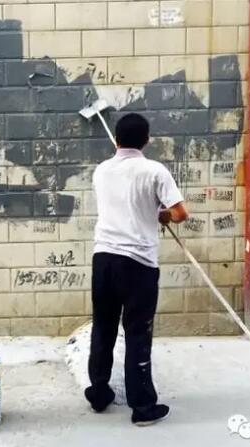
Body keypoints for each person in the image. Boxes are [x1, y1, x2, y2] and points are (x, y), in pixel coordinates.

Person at [85, 113, 188, 426]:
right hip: (138, 263)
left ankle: (99, 394)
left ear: (116, 139)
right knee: (137, 333)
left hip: (104, 259)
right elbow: (180, 213)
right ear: (147, 139)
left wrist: (149, 210)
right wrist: (162, 215)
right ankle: (142, 408)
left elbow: (120, 205)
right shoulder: (154, 171)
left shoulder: (101, 171)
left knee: (103, 327)